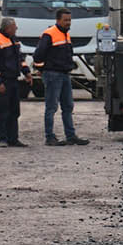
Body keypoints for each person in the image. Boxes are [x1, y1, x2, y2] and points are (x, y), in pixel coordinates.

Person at [36, 10, 87, 145]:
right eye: (65, 20)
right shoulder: (49, 34)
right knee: (52, 107)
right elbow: (38, 55)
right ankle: (50, 137)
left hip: (64, 74)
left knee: (68, 106)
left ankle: (70, 136)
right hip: (53, 75)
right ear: (58, 20)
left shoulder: (65, 34)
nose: (68, 23)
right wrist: (42, 70)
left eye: (69, 20)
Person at [0, 16, 26, 147]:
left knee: (15, 111)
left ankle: (13, 138)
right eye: (14, 27)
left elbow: (20, 58)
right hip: (3, 81)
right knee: (3, 111)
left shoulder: (14, 40)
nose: (17, 28)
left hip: (13, 80)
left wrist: (27, 72)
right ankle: (3, 138)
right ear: (8, 28)